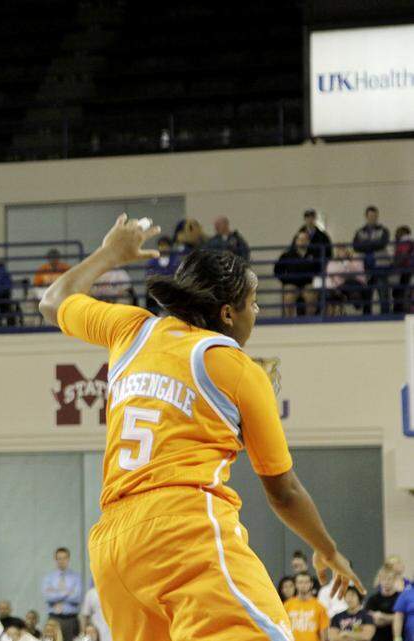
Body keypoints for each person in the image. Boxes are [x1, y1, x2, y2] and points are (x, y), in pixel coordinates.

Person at [38, 215, 361, 641]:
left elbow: (52, 301)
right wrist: (328, 548)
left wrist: (110, 254)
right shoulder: (236, 368)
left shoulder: (130, 329)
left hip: (113, 549)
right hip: (183, 533)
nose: (258, 311)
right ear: (228, 312)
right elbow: (284, 492)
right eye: (255, 301)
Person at [353, 205, 391, 314]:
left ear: (377, 216)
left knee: (383, 294)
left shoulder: (384, 230)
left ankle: (386, 317)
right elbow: (356, 246)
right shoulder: (359, 231)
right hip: (365, 268)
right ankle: (366, 318)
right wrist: (373, 244)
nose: (372, 218)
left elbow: (382, 243)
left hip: (380, 267)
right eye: (370, 216)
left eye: (374, 216)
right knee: (366, 295)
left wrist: (365, 245)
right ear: (366, 216)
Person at [275, 231, 321, 317]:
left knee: (311, 298)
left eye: (304, 239)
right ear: (296, 241)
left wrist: (313, 280)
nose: (302, 241)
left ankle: (308, 321)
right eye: (300, 239)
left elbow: (319, 270)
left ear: (308, 241)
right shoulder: (287, 255)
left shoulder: (314, 255)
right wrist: (286, 281)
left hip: (308, 284)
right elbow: (277, 270)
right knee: (288, 298)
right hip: (292, 284)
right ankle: (289, 321)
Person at [41, 548, 82, 640]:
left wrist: (55, 592)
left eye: (64, 558)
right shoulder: (49, 578)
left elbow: (77, 597)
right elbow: (48, 597)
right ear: (55, 560)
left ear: (68, 559)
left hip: (70, 619)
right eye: (59, 558)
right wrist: (67, 592)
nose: (61, 561)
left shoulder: (76, 577)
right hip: (54, 618)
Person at [322, 247, 368, 316]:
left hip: (357, 283)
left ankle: (356, 302)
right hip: (339, 285)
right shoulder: (332, 262)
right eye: (339, 251)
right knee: (332, 291)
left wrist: (345, 262)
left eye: (343, 250)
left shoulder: (356, 259)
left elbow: (354, 272)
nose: (342, 252)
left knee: (352, 284)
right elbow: (331, 271)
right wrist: (345, 269)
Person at [285, 573, 329, 641]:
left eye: (306, 582)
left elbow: (324, 635)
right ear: (295, 584)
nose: (303, 585)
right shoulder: (287, 605)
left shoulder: (320, 607)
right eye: (300, 582)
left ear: (311, 584)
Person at [366, 572, 404, 641]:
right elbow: (370, 619)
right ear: (380, 581)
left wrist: (383, 616)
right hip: (377, 637)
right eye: (383, 579)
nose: (386, 582)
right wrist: (394, 618)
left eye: (389, 579)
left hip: (397, 637)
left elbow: (403, 618)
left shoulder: (401, 597)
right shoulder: (373, 599)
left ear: (394, 580)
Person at [392, 226, 413, 314]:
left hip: (407, 271)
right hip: (402, 271)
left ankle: (402, 310)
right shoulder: (398, 245)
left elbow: (402, 257)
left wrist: (396, 263)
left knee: (403, 291)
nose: (398, 235)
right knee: (398, 292)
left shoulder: (407, 243)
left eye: (400, 233)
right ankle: (399, 309)